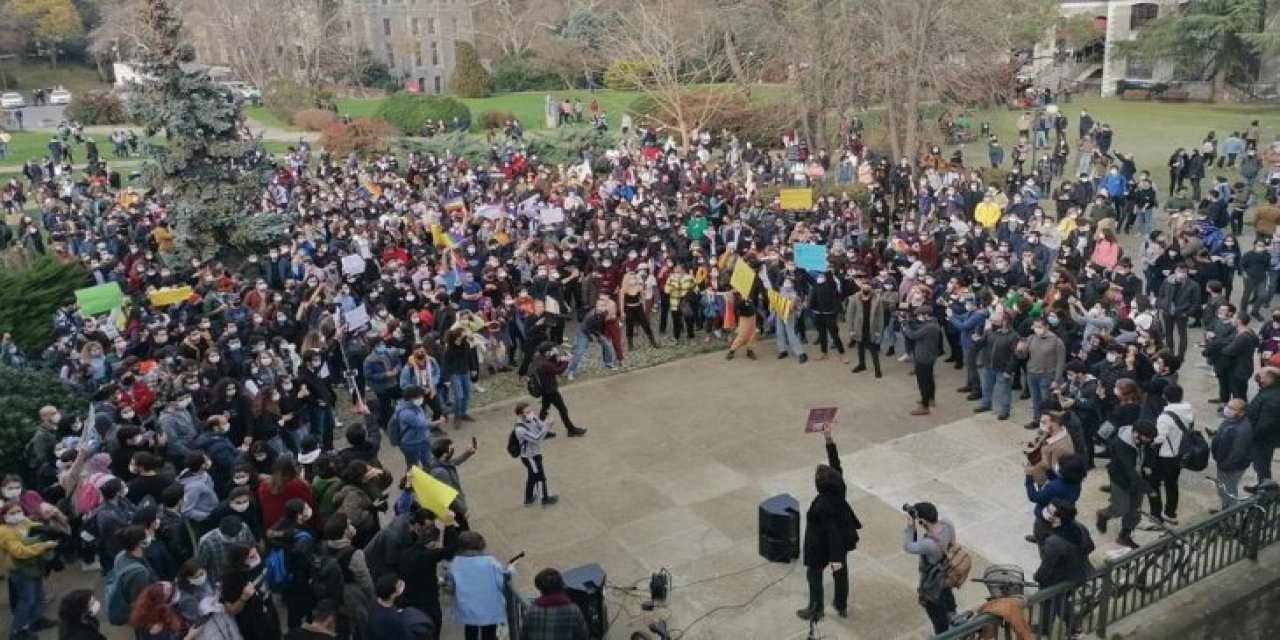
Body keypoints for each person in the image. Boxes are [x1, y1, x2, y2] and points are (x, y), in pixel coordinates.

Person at [796, 423, 862, 621]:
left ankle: (816, 608)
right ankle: (841, 605)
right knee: (841, 574)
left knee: (814, 575)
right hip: (843, 541)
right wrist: (828, 438)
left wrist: (834, 557)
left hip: (824, 547)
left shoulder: (823, 506)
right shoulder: (839, 486)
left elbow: (831, 532)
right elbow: (836, 463)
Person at [1032, 499, 1095, 637]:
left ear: (1057, 518)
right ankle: (1046, 627)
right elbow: (1091, 546)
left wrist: (1037, 576)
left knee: (1055, 599)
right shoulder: (1079, 527)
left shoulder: (1054, 543)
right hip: (1080, 571)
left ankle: (1073, 625)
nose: (1046, 512)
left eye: (1050, 511)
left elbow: (1046, 568)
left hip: (1061, 578)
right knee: (1055, 601)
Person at [1, 499, 60, 639]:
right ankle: (18, 630)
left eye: (19, 511)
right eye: (12, 513)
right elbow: (19, 552)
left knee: (38, 594)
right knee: (28, 598)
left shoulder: (23, 521)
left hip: (32, 564)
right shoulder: (4, 531)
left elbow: (34, 525)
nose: (17, 514)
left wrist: (49, 525)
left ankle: (36, 620)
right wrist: (43, 546)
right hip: (18, 567)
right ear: (4, 515)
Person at [1096, 419, 1158, 549]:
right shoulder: (1120, 444)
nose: (1148, 442)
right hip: (1121, 479)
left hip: (1138, 477)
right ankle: (1103, 514)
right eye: (1146, 439)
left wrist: (1148, 465)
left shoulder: (1144, 439)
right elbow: (1129, 470)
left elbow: (1151, 450)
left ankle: (1124, 536)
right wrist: (1147, 489)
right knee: (1121, 508)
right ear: (1136, 433)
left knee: (1135, 510)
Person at [904, 502, 957, 633]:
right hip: (946, 576)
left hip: (933, 587)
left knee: (940, 624)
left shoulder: (929, 544)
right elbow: (952, 543)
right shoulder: (948, 525)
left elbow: (908, 546)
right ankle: (956, 624)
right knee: (950, 610)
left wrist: (910, 526)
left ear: (922, 521)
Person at [448, 532, 512, 640]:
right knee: (489, 633)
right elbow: (501, 582)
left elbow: (453, 586)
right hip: (489, 607)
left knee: (470, 630)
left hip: (467, 607)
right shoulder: (490, 562)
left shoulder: (455, 564)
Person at [1151, 385, 1193, 526]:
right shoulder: (1188, 411)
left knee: (1153, 484)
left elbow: (1158, 438)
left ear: (1165, 397)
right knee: (1172, 484)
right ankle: (1170, 512)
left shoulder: (1165, 417)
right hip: (1180, 453)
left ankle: (1156, 515)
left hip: (1165, 455)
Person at [532, 343, 586, 437]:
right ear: (547, 352)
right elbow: (558, 371)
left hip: (544, 389)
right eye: (553, 349)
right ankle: (571, 430)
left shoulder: (539, 359)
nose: (555, 349)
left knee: (545, 409)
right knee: (562, 409)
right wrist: (566, 361)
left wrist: (560, 359)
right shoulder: (545, 364)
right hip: (550, 390)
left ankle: (539, 430)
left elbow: (553, 366)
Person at [520, 568, 589, 640]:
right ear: (561, 586)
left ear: (541, 590)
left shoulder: (531, 611)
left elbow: (524, 637)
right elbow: (584, 636)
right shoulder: (573, 610)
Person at [1210, 398, 1253, 509]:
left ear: (1242, 412)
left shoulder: (1243, 429)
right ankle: (1225, 509)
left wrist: (1224, 465)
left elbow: (1238, 452)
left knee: (1229, 491)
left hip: (1231, 466)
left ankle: (1232, 516)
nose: (1227, 410)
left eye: (1232, 408)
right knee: (1222, 489)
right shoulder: (1231, 420)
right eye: (1228, 406)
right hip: (1223, 462)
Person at [513, 402, 558, 506]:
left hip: (535, 454)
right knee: (540, 477)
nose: (531, 414)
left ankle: (528, 499)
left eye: (531, 411)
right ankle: (545, 500)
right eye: (527, 412)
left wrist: (548, 423)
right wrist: (547, 425)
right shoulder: (520, 429)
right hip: (530, 457)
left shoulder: (533, 418)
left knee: (532, 477)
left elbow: (542, 427)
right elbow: (537, 439)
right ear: (520, 415)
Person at [902, 305, 943, 415]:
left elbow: (913, 335)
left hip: (923, 357)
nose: (918, 317)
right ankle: (930, 399)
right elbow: (918, 327)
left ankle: (924, 406)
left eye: (920, 315)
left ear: (926, 315)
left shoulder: (929, 327)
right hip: (929, 356)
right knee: (929, 379)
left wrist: (905, 326)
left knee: (923, 382)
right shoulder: (933, 324)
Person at [367, 574, 434, 640]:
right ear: (392, 595)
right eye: (399, 586)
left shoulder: (374, 604)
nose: (402, 584)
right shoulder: (393, 621)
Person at [1246, 367, 1280, 493]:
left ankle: (1265, 490)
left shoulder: (1272, 397)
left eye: (1261, 375)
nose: (1258, 377)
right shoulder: (1270, 390)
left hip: (1263, 439)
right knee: (1261, 464)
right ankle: (1263, 484)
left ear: (1270, 377)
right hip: (1263, 437)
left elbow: (1266, 424)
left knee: (1262, 464)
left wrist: (1252, 436)